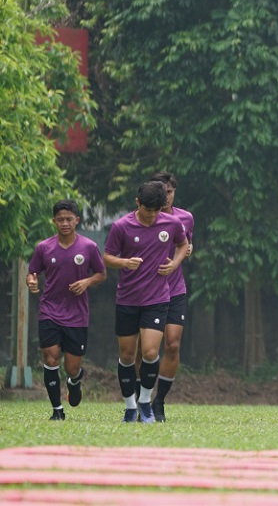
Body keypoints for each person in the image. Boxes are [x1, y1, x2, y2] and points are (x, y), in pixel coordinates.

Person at [103, 181, 188, 423]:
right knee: (128, 355)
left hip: (157, 298)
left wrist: (174, 263)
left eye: (156, 210)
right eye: (147, 210)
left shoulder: (171, 223)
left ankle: (145, 402)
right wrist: (124, 262)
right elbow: (107, 257)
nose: (151, 215)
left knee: (150, 352)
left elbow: (183, 244)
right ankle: (130, 407)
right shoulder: (121, 226)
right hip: (128, 299)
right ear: (137, 203)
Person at [26, 200, 107, 421]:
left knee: (71, 368)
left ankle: (75, 380)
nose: (64, 223)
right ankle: (57, 410)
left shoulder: (89, 247)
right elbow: (32, 272)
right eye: (60, 219)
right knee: (51, 359)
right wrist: (31, 281)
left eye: (69, 219)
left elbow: (101, 274)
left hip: (77, 315)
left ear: (76, 220)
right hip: (49, 311)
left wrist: (87, 282)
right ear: (54, 221)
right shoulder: (44, 247)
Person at [146, 171, 194, 423]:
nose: (165, 197)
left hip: (175, 289)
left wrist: (185, 251)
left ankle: (159, 401)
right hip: (146, 291)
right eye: (161, 192)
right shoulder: (143, 218)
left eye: (170, 192)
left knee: (173, 344)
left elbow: (186, 245)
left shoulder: (185, 218)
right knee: (145, 350)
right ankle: (140, 397)